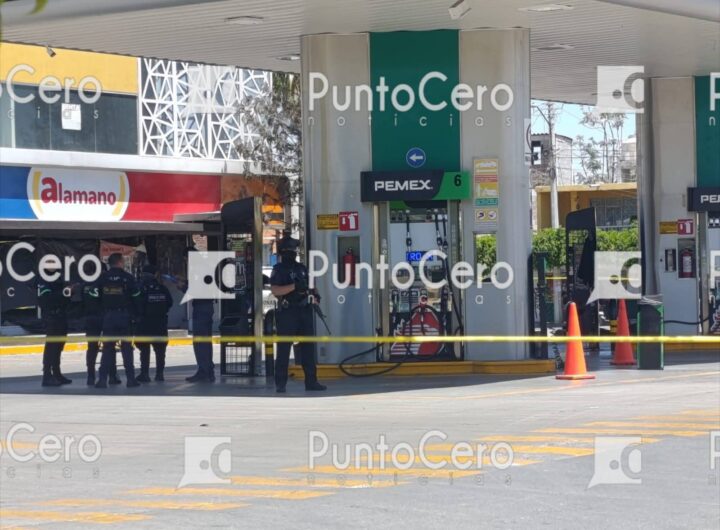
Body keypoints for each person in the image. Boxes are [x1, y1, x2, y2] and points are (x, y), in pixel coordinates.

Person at [270, 234, 326, 393]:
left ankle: (311, 382)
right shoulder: (278, 269)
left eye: (294, 249)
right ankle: (280, 383)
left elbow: (312, 285)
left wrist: (315, 295)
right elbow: (275, 290)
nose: (293, 252)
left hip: (304, 310)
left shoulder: (302, 268)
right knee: (284, 349)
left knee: (308, 349)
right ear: (283, 251)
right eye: (290, 249)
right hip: (288, 312)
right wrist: (293, 287)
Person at [95, 253, 143, 389]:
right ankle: (131, 380)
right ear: (120, 262)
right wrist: (137, 314)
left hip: (108, 317)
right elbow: (137, 296)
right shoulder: (127, 278)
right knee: (126, 349)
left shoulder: (103, 278)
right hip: (124, 316)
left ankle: (102, 380)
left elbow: (93, 294)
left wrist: (101, 310)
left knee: (107, 349)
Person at [82, 263, 121, 386]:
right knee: (109, 347)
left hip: (90, 318)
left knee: (92, 347)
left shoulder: (85, 285)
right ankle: (112, 375)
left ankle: (90, 376)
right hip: (105, 317)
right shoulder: (105, 283)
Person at [184, 247, 216, 383]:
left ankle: (204, 371)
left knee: (200, 341)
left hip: (202, 307)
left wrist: (183, 287)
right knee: (205, 341)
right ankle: (208, 370)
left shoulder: (199, 269)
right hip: (206, 307)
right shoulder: (205, 267)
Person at [136, 264, 173, 382]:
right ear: (155, 275)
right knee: (160, 350)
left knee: (144, 349)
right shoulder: (162, 288)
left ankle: (144, 374)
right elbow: (170, 303)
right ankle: (159, 374)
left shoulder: (140, 288)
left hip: (144, 324)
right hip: (160, 323)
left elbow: (136, 304)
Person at [37, 278, 71, 386]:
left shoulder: (58, 280)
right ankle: (47, 375)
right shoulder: (42, 281)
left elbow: (65, 300)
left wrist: (68, 292)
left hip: (60, 316)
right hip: (50, 317)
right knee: (51, 346)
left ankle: (57, 373)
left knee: (59, 345)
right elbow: (47, 300)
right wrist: (63, 293)